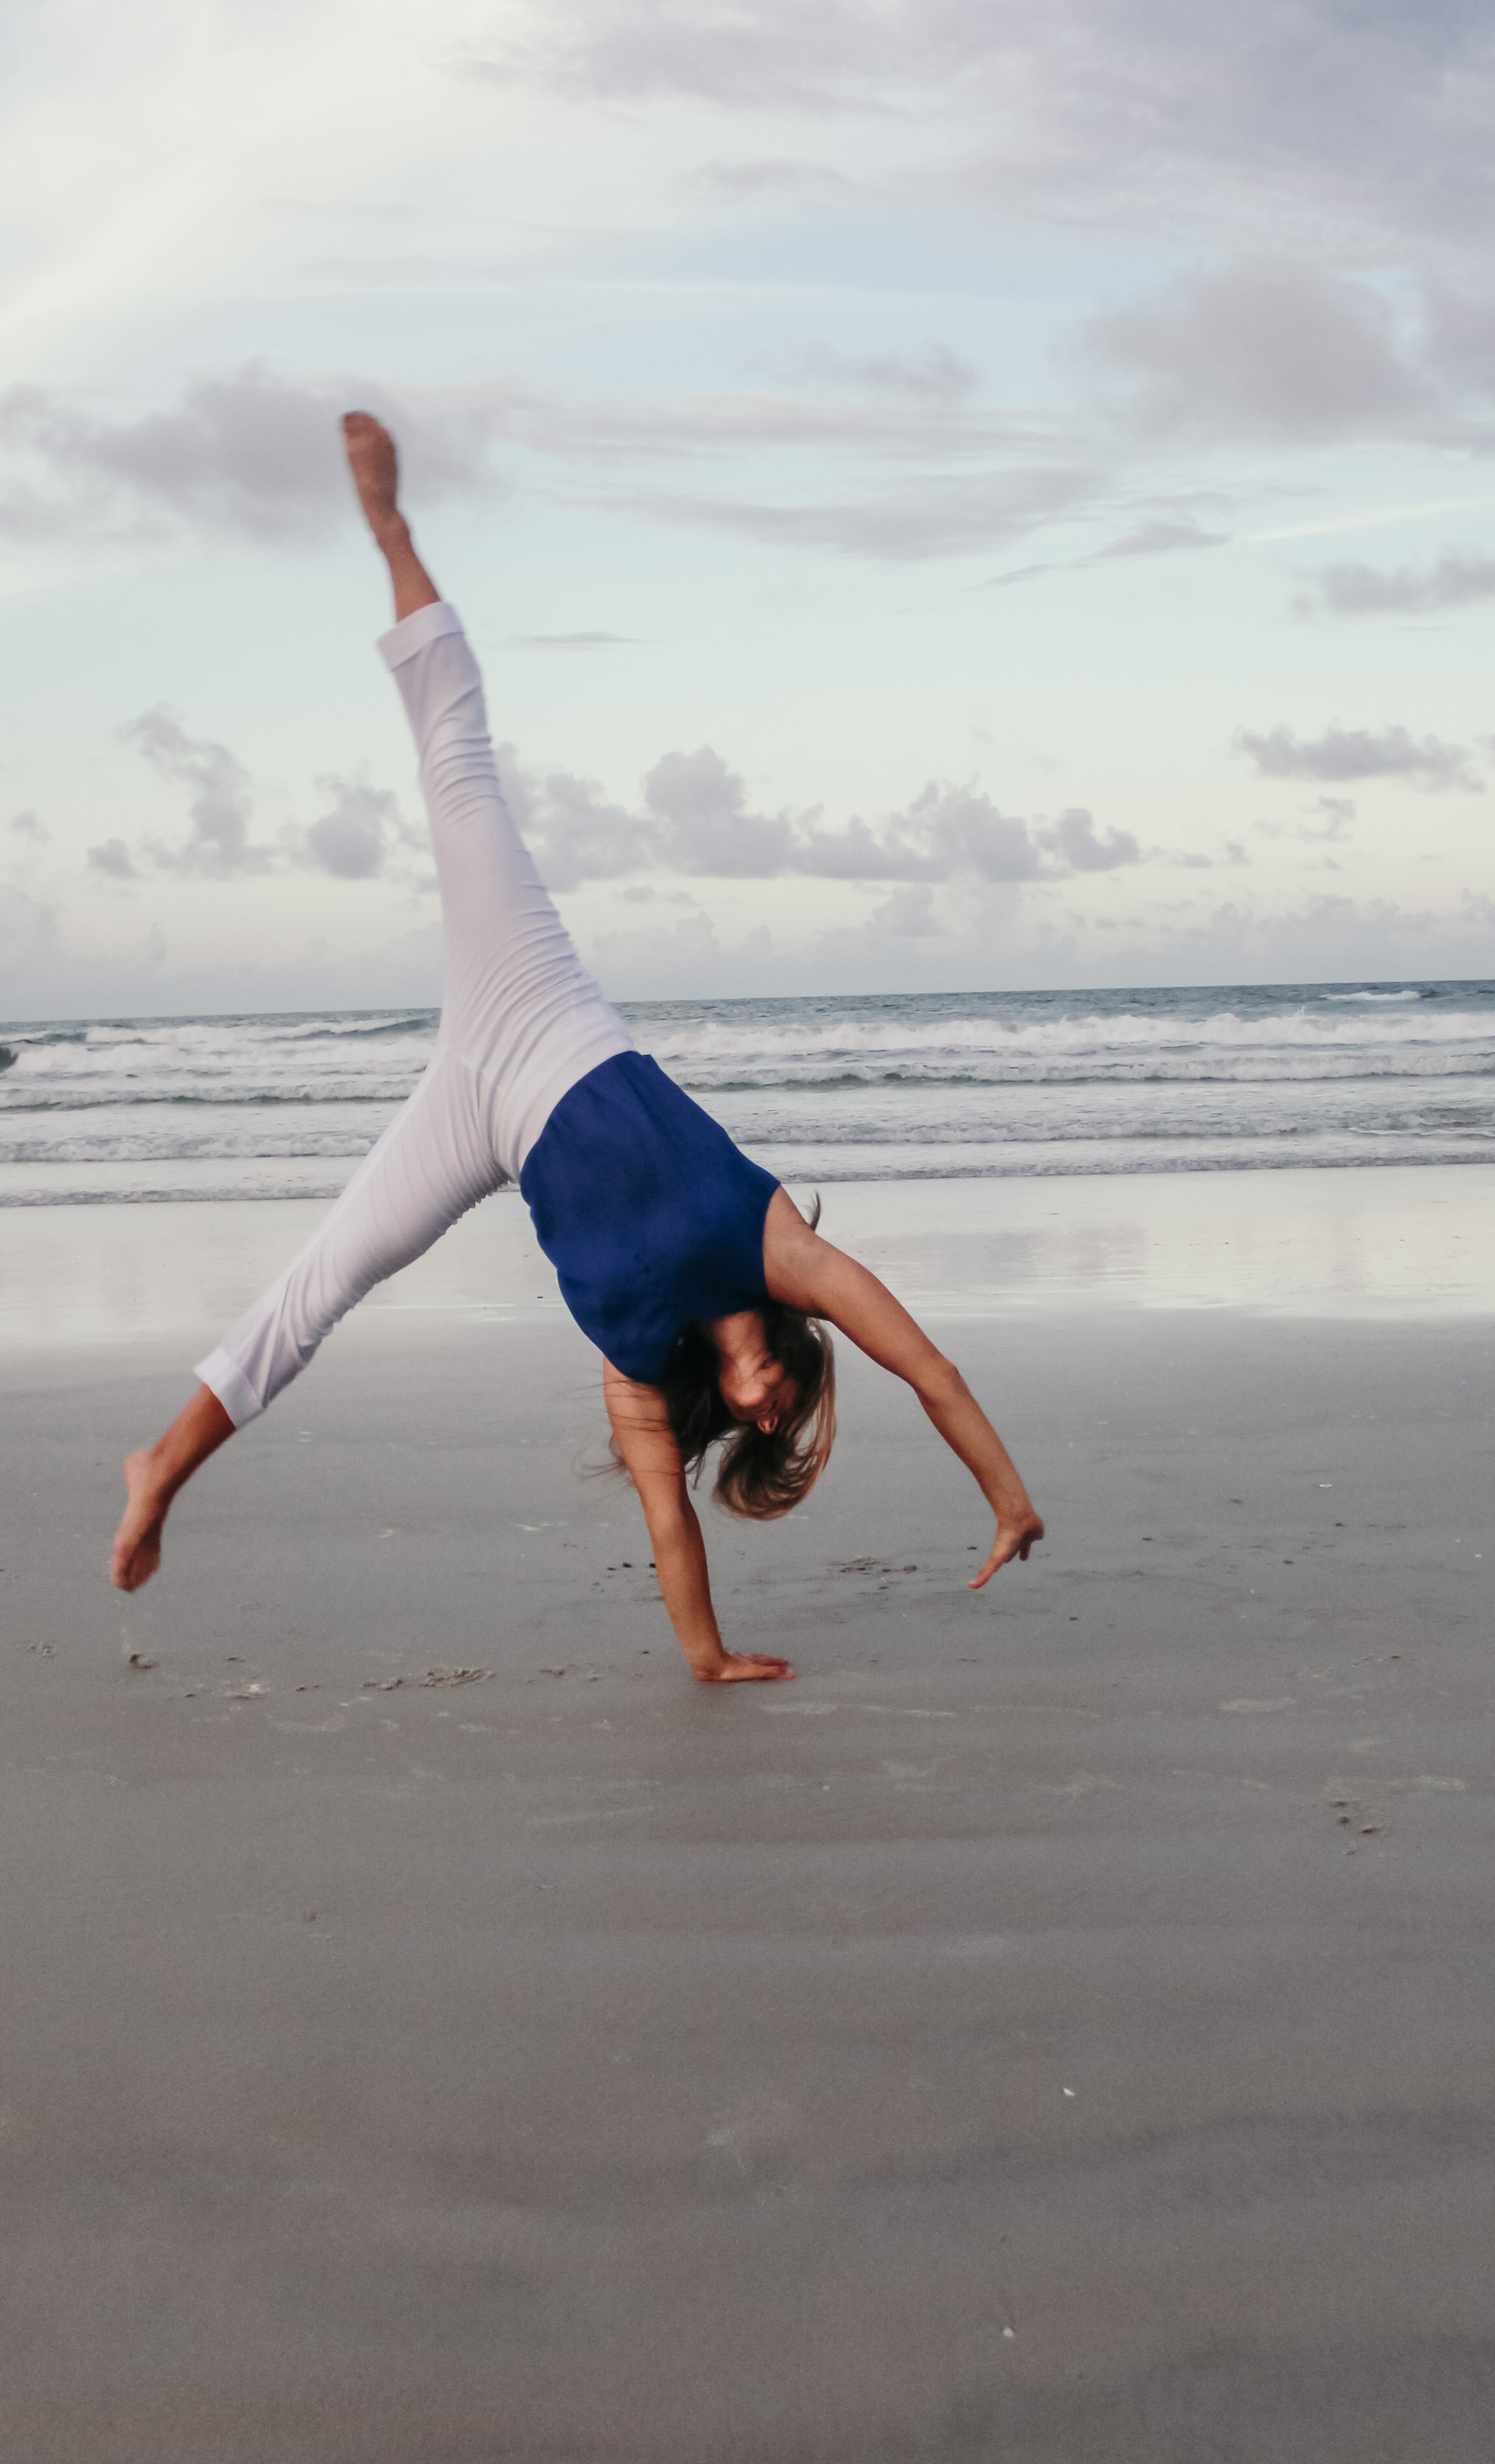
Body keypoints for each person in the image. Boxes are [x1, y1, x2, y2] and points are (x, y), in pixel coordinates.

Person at [109, 415, 1045, 1681]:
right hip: (538, 1003)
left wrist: (708, 1658)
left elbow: (667, 1522)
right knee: (460, 765)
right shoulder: (779, 1246)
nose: (774, 1411)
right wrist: (1009, 1497)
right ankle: (390, 526)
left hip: (479, 1117)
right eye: (794, 1406)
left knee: (323, 1279)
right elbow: (929, 1366)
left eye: (766, 1430)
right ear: (801, 1365)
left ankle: (161, 1463)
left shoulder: (640, 1364)